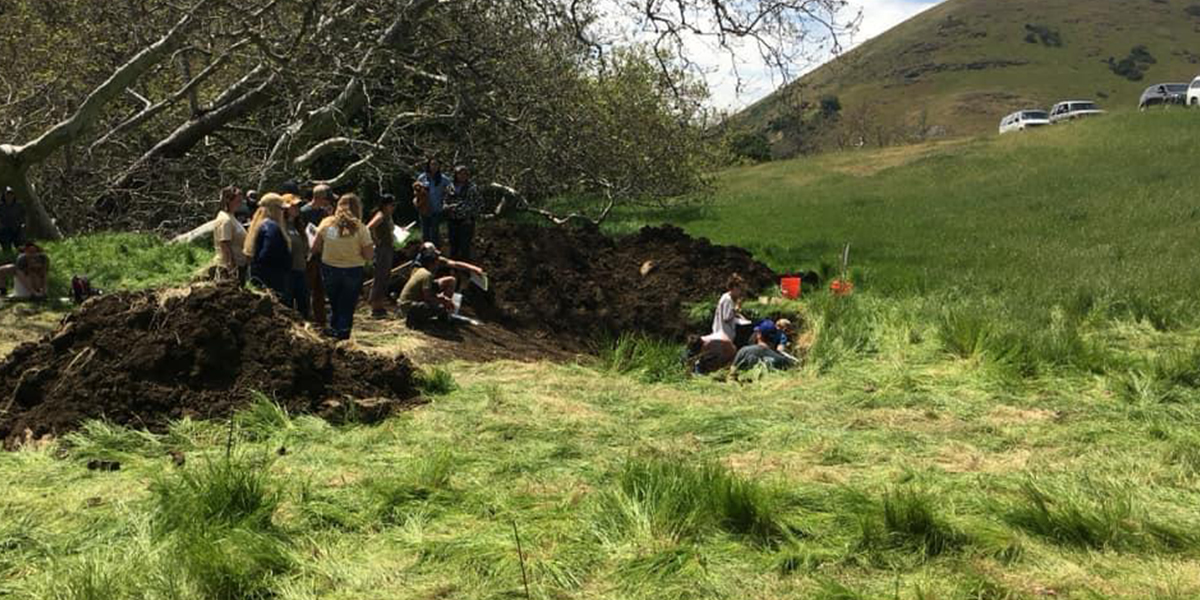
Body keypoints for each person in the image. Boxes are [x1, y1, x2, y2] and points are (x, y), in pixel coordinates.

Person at [311, 194, 374, 340]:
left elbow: (315, 247)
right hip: (353, 270)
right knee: (347, 305)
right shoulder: (360, 227)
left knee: (335, 303)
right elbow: (369, 255)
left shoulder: (326, 223)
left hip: (330, 269)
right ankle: (343, 334)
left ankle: (334, 330)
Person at [398, 242, 485, 328]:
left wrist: (474, 269)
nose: (438, 262)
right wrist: (442, 300)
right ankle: (439, 314)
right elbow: (425, 293)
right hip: (418, 295)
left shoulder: (428, 262)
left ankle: (444, 314)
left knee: (450, 281)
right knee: (438, 306)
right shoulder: (422, 271)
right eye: (436, 260)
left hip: (425, 288)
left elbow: (454, 263)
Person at [244, 193, 292, 299]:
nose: (283, 212)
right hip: (272, 278)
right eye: (281, 209)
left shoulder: (259, 224)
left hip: (260, 275)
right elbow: (268, 252)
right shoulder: (271, 226)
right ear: (273, 209)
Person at [302, 184, 335, 327]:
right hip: (308, 256)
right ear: (320, 197)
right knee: (307, 287)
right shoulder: (304, 212)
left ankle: (321, 322)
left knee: (320, 290)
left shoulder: (324, 213)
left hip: (322, 255)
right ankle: (305, 318)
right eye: (327, 198)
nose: (328, 202)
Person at [367, 194, 397, 317]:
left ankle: (378, 303)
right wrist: (376, 240)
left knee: (385, 276)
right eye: (392, 205)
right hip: (382, 249)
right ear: (385, 205)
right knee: (380, 276)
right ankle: (375, 305)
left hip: (388, 248)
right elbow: (369, 227)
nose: (393, 207)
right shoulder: (380, 215)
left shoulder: (388, 216)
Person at [445, 165, 483, 261]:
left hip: (466, 220)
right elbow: (445, 200)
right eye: (459, 174)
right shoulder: (450, 187)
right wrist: (446, 207)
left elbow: (479, 203)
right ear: (455, 175)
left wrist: (471, 216)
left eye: (464, 174)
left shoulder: (472, 188)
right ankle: (453, 266)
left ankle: (465, 268)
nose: (462, 176)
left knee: (465, 245)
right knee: (453, 244)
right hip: (452, 219)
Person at [212, 186, 248, 284]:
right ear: (228, 200)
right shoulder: (225, 220)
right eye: (238, 201)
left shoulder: (232, 217)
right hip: (229, 268)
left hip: (240, 265)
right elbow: (224, 245)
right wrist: (231, 269)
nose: (240, 203)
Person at [283, 195, 311, 318]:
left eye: (297, 206)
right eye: (293, 206)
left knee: (304, 303)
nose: (297, 208)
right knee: (287, 303)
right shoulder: (281, 226)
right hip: (288, 271)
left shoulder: (298, 226)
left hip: (301, 269)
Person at [416, 158, 451, 248]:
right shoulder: (422, 177)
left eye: (436, 164)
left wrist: (446, 202)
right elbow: (416, 191)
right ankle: (424, 251)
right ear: (429, 165)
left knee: (434, 232)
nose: (434, 166)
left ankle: (435, 251)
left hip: (436, 209)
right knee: (425, 232)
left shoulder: (444, 179)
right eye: (432, 164)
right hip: (424, 209)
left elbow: (450, 192)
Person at [0, 187, 26, 254]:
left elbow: (24, 216)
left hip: (17, 228)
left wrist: (23, 224)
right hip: (4, 230)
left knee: (20, 246)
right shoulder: (1, 206)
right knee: (6, 248)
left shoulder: (19, 205)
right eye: (7, 195)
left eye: (11, 195)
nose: (9, 197)